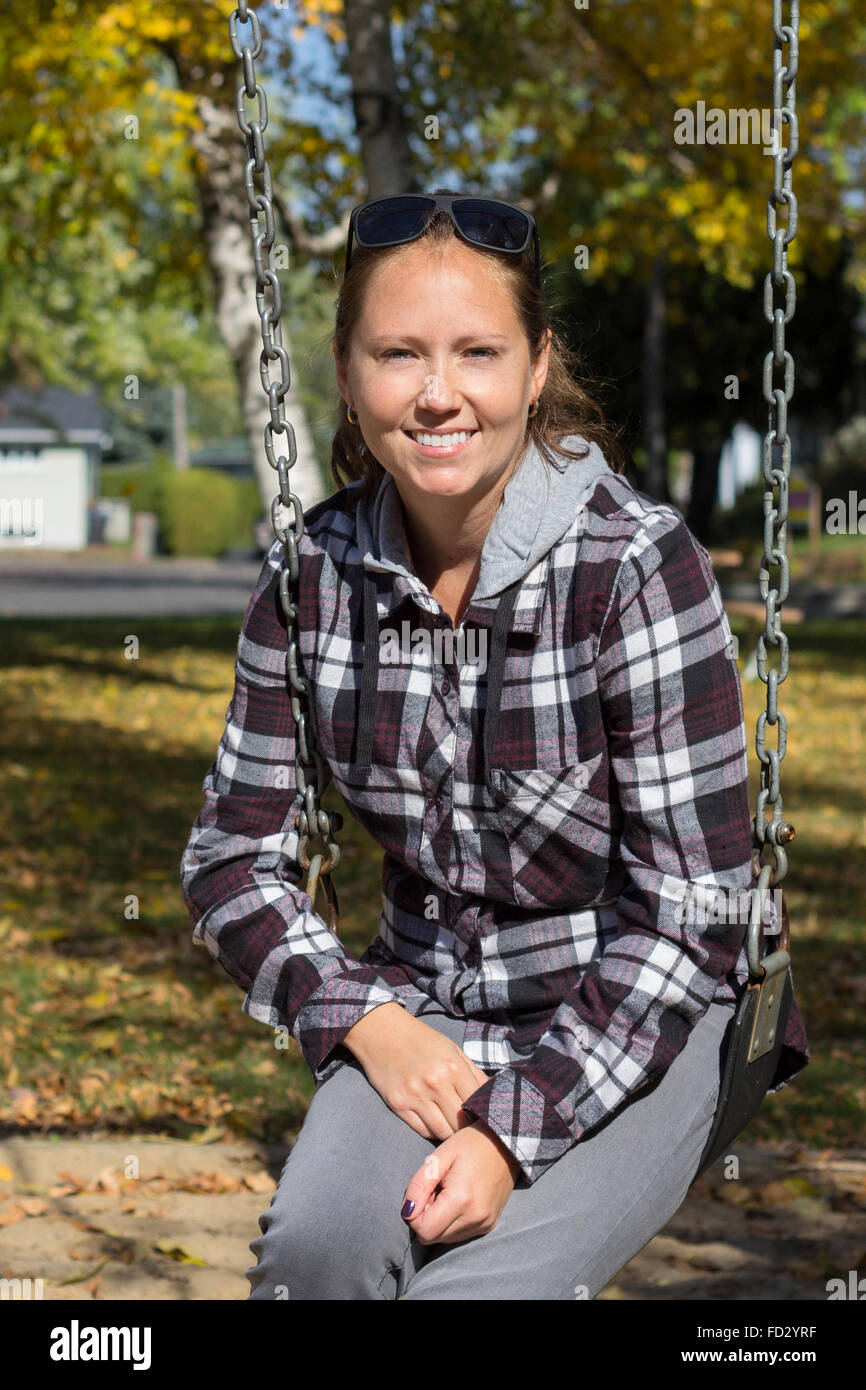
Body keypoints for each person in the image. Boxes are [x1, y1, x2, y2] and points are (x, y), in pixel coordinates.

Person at [180, 189, 809, 1301]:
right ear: (344, 373)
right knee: (310, 1264)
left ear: (533, 367)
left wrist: (509, 1131)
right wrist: (363, 1016)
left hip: (649, 1010)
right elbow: (231, 860)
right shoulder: (309, 579)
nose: (436, 394)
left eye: (477, 352)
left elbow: (689, 916)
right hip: (426, 1012)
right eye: (397, 355)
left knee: (473, 1293)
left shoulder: (630, 568)